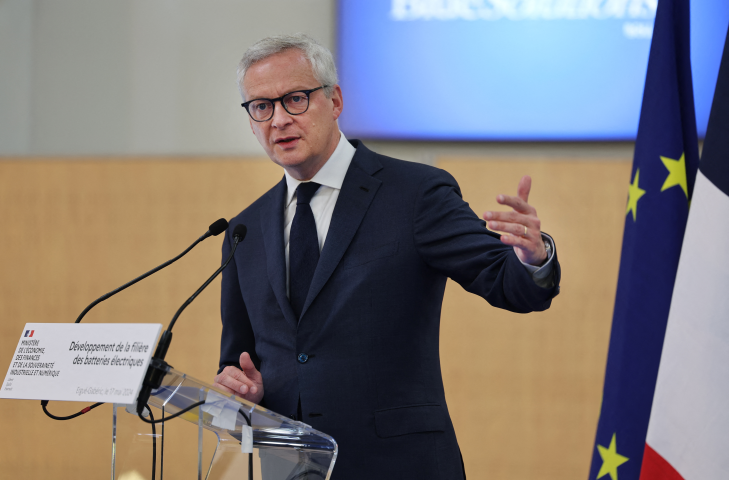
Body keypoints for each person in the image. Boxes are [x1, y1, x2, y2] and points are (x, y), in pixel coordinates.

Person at [212, 33, 560, 479]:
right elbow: (238, 361)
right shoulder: (244, 229)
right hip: (291, 468)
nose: (278, 119)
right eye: (262, 106)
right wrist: (240, 389)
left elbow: (507, 282)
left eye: (295, 99)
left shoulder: (415, 194)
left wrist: (533, 256)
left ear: (334, 101)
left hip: (399, 465)